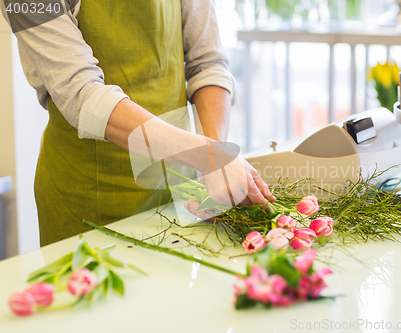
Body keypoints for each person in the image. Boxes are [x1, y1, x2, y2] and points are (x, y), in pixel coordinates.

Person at [1, 0, 275, 246]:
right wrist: (210, 155)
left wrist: (216, 168)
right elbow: (82, 94)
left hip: (182, 191)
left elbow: (208, 62)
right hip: (86, 198)